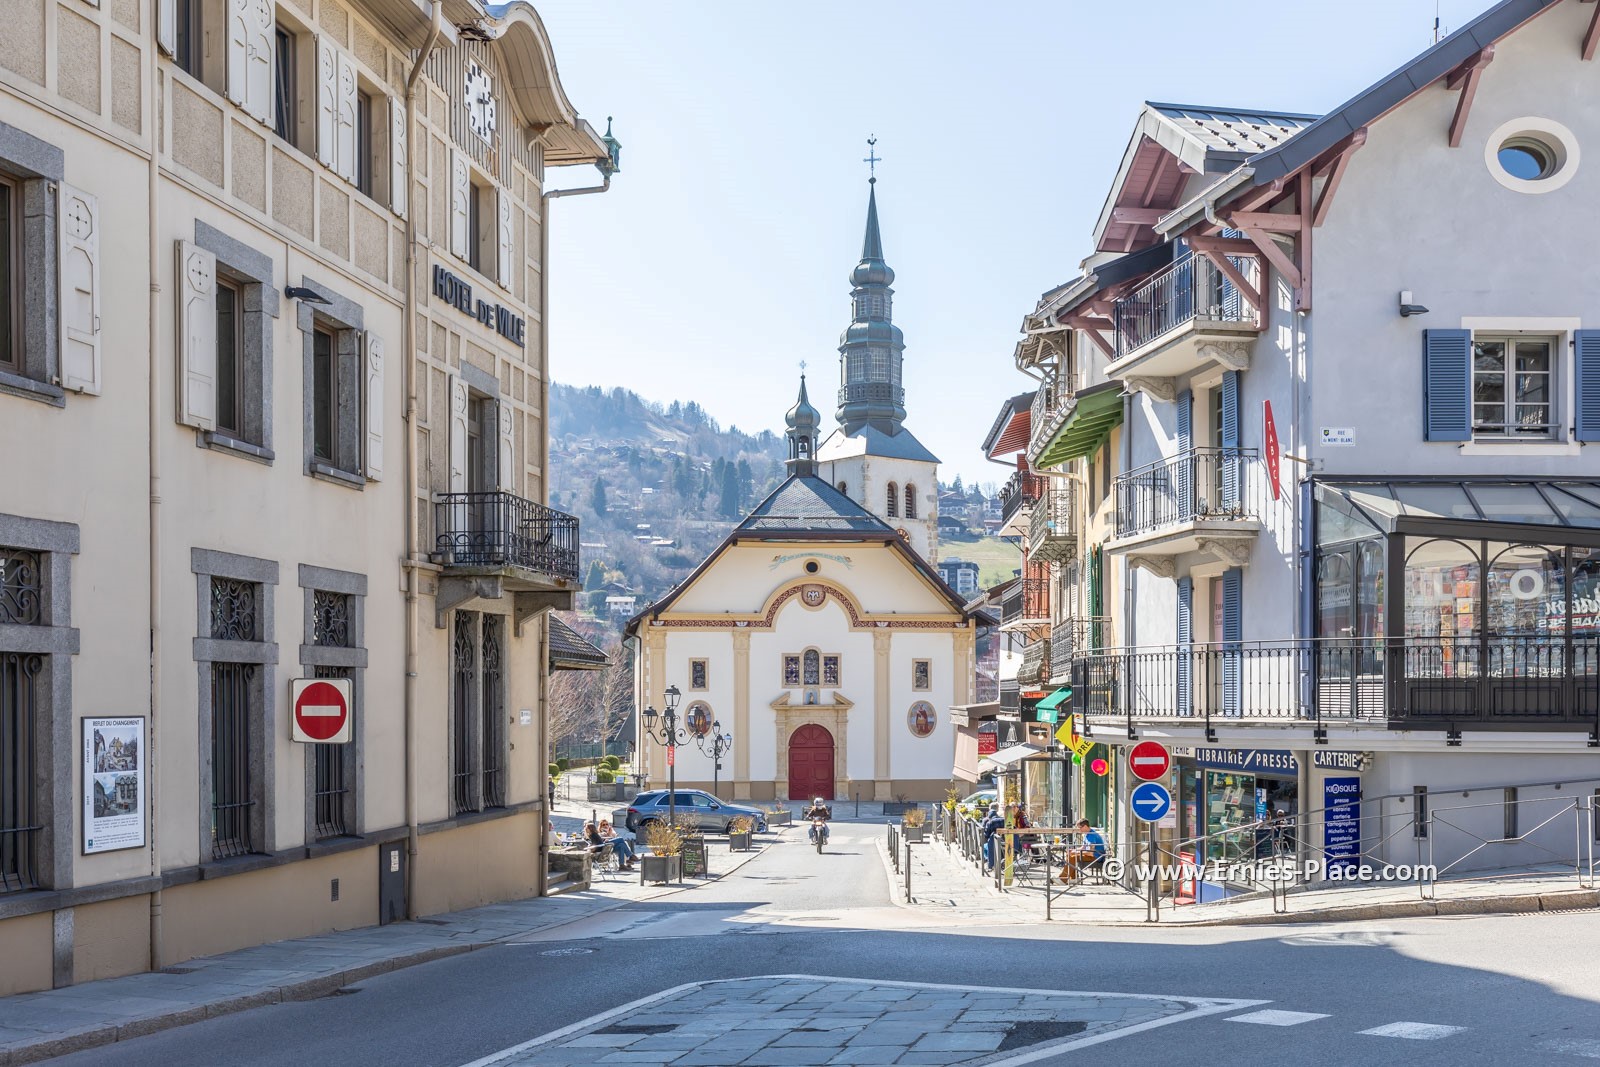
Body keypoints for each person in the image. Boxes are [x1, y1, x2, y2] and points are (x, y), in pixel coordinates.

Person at [980, 805, 1005, 872]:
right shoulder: (1003, 820)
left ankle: (989, 863)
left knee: (985, 846)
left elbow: (986, 835)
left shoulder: (988, 821)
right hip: (1005, 843)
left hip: (994, 843)